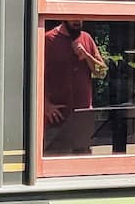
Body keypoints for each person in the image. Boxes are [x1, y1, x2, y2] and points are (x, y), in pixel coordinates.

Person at [43, 19, 107, 155]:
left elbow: (101, 72)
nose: (77, 21)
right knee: (56, 158)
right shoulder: (49, 39)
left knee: (82, 159)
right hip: (58, 115)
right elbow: (36, 74)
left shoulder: (86, 38)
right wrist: (45, 104)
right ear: (64, 17)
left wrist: (87, 56)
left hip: (82, 115)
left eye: (80, 17)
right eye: (73, 17)